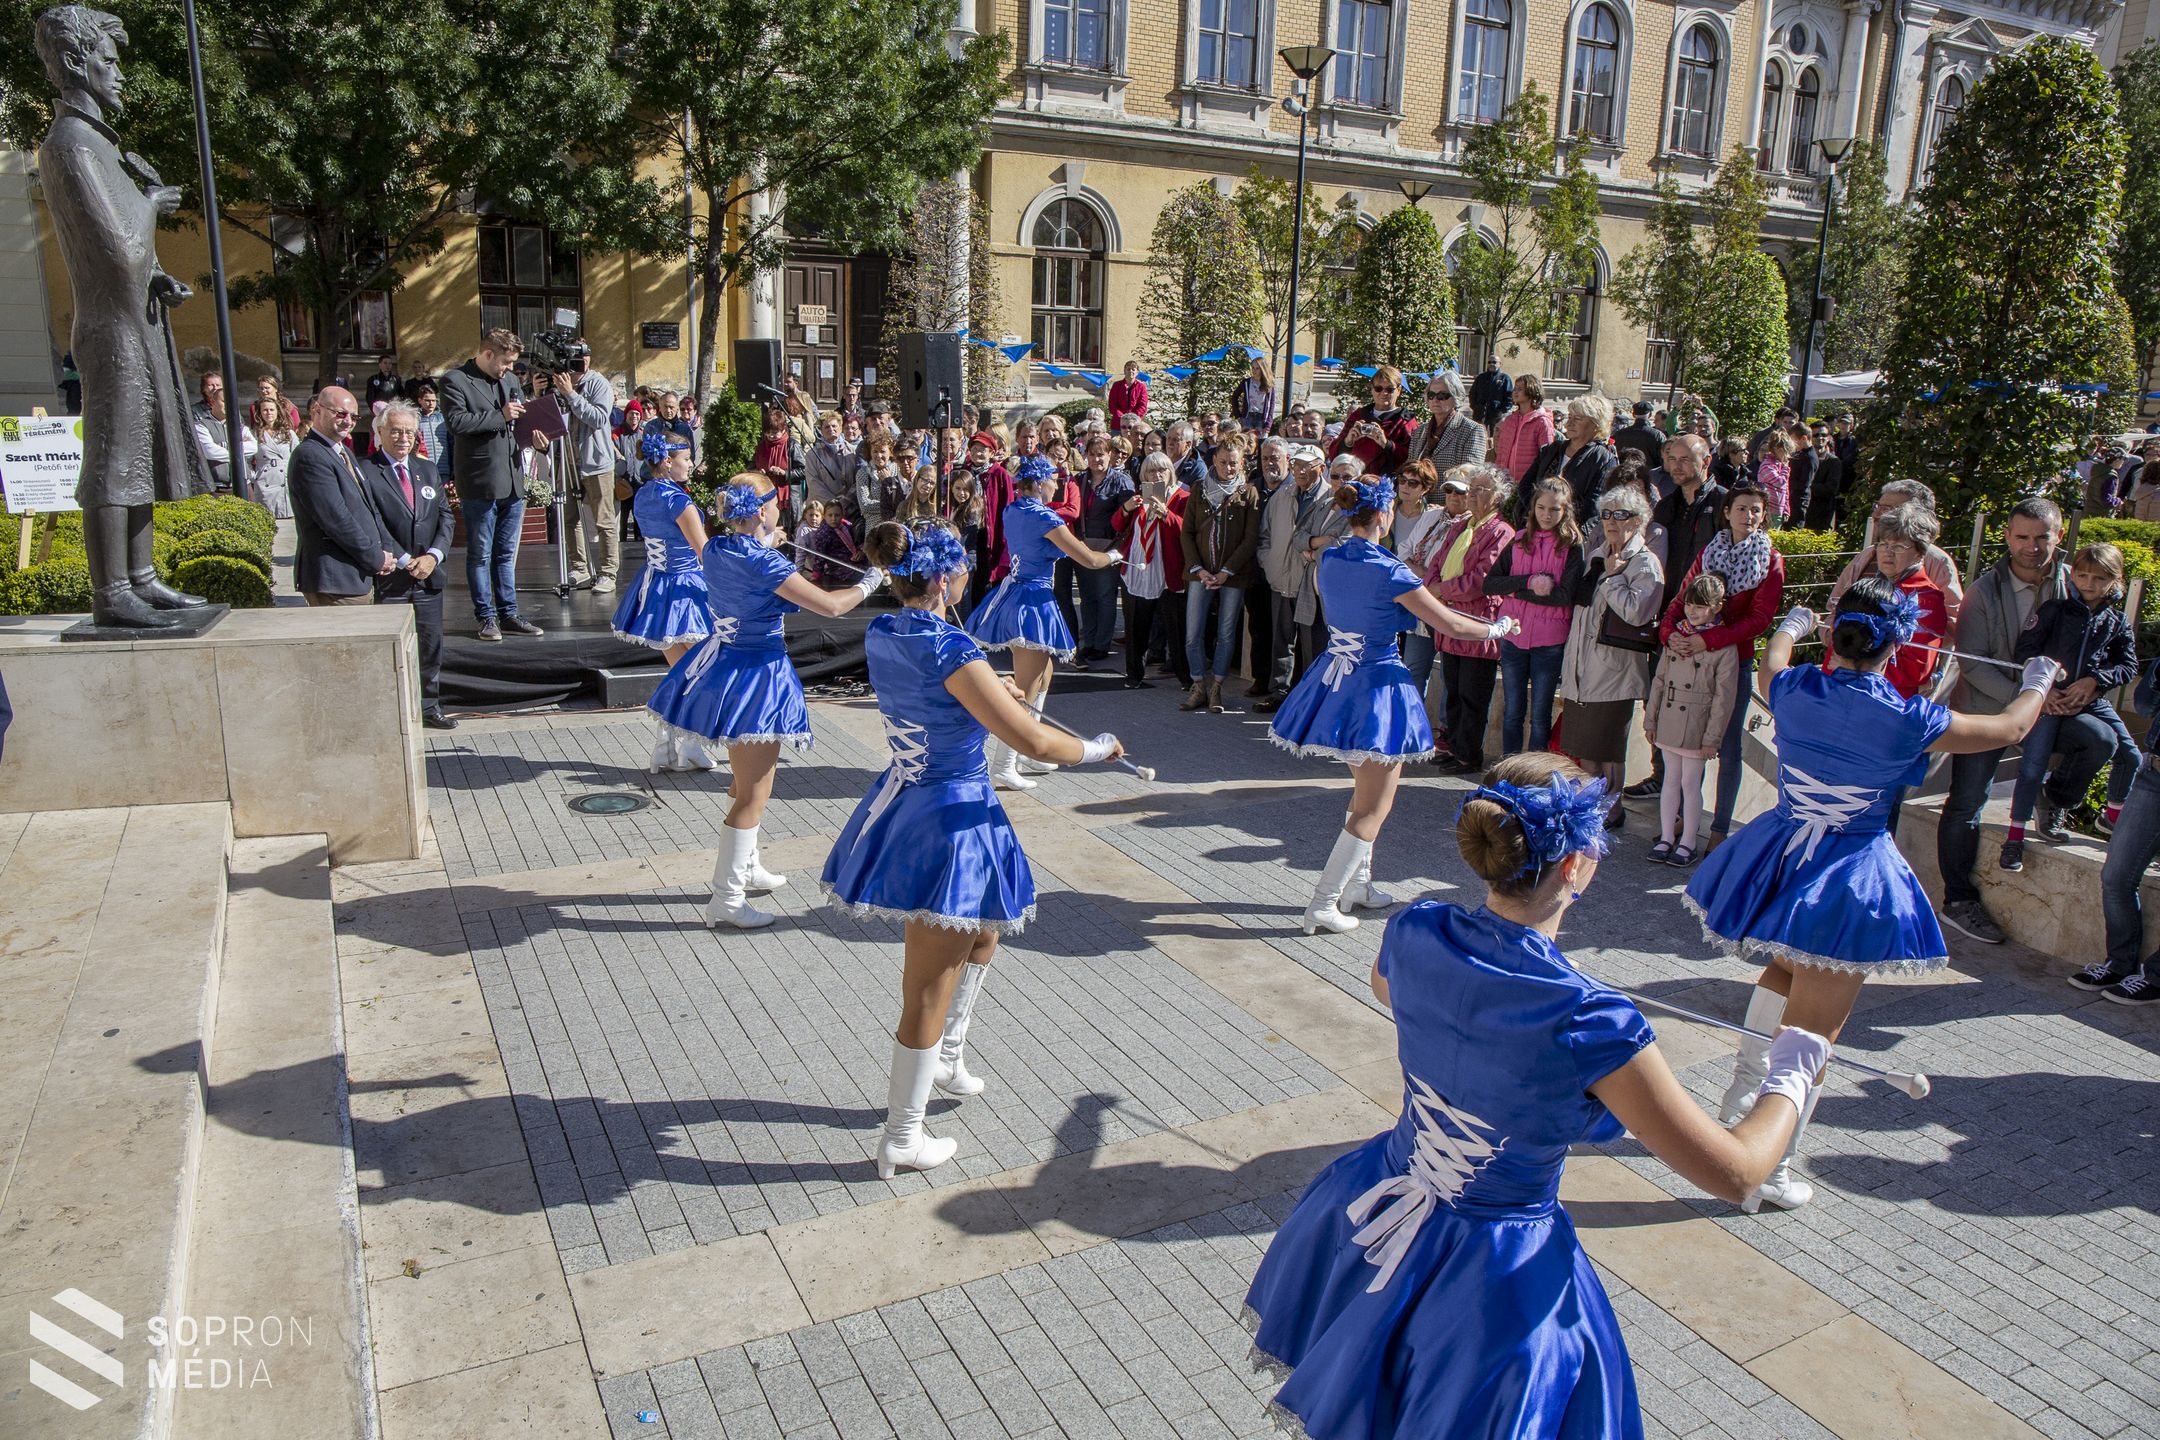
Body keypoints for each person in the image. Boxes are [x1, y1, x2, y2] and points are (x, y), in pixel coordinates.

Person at [1246, 752, 1825, 1440]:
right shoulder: (1592, 1023)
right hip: (1496, 1275)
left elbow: (1389, 992)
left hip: (1377, 1204)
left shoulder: (1417, 929)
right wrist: (1791, 1071)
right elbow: (1736, 1173)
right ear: (1576, 865)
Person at [1687, 581, 2057, 1207]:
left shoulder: (1798, 689)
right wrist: (2040, 679)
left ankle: (1740, 1105)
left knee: (1783, 975)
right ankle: (1767, 1168)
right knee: (1813, 1036)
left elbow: (1771, 659)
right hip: (1847, 874)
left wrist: (1794, 625)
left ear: (1837, 637)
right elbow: (2009, 727)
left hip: (1781, 855)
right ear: (1895, 646)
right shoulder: (1908, 717)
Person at [822, 521, 1124, 1177]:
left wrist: (992, 689)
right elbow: (1037, 744)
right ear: (945, 578)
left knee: (983, 936)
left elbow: (941, 699)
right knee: (927, 985)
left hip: (913, 800)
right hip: (949, 820)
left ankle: (950, 1055)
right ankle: (903, 1134)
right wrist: (1097, 748)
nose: (970, 577)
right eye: (963, 568)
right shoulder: (954, 648)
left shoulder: (885, 631)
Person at [1268, 478, 1517, 933]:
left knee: (1363, 796)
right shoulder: (1390, 570)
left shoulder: (1332, 557)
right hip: (1377, 686)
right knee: (1373, 807)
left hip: (1337, 678)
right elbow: (1451, 626)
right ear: (1383, 515)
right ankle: (1322, 905)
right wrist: (1497, 629)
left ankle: (1357, 885)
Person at [646, 476, 886, 927]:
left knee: (742, 784)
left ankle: (748, 865)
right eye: (775, 505)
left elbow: (747, 567)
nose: (781, 511)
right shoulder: (765, 564)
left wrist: (763, 543)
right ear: (760, 511)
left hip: (724, 665)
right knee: (754, 795)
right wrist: (871, 581)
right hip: (757, 677)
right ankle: (727, 899)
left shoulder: (717, 548)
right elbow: (831, 607)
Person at [1934, 499, 2085, 944]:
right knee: (1966, 801)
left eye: (2042, 537)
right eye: (2023, 537)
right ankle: (1958, 900)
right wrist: (2030, 701)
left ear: (2058, 535)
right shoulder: (1984, 590)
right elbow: (1974, 664)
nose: (2032, 547)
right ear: (2007, 537)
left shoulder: (2075, 583)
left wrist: (2083, 686)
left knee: (2101, 742)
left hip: (2051, 704)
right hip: (1989, 706)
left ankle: (2054, 800)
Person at [967, 455, 1122, 788]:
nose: (1060, 484)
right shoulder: (1046, 517)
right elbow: (1089, 559)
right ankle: (1004, 763)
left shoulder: (1013, 509)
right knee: (1026, 686)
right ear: (1038, 483)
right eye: (1055, 479)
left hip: (1017, 593)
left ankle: (1027, 751)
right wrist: (1115, 555)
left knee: (1045, 675)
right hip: (1031, 600)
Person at [2001, 542, 2140, 872]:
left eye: (2099, 578)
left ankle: (2112, 818)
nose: (2088, 584)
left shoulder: (2116, 621)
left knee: (2130, 754)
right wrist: (2043, 690)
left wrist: (2095, 681)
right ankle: (2015, 838)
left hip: (2088, 700)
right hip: (2049, 702)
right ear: (2072, 574)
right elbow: (2025, 652)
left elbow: (2128, 664)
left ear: (2115, 580)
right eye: (2082, 575)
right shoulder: (2055, 610)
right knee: (2032, 767)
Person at [1658, 482, 1783, 843]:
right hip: (1688, 662)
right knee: (1681, 744)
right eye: (1741, 508)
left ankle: (1718, 829)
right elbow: (1681, 599)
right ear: (1727, 512)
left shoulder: (1770, 560)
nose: (1748, 516)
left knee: (1728, 748)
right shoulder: (1709, 554)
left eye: (1756, 510)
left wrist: (1707, 639)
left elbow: (1759, 619)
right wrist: (1670, 634)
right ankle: (1679, 823)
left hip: (1732, 662)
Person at [1558, 484, 1663, 826]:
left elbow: (1638, 613)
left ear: (1639, 520)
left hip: (1614, 672)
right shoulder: (1597, 554)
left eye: (1622, 515)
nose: (1612, 522)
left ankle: (1611, 809)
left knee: (1606, 749)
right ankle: (1591, 806)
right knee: (1584, 748)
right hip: (1581, 667)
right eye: (1606, 514)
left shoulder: (1645, 562)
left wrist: (1615, 578)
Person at [612, 433, 717, 769]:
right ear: (668, 461)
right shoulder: (679, 501)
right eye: (686, 458)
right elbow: (704, 553)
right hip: (686, 590)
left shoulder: (643, 495)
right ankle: (681, 741)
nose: (691, 464)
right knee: (702, 671)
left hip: (656, 586)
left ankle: (673, 742)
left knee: (683, 672)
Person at [439, 328, 543, 641]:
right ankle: (486, 617)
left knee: (505, 554)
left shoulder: (511, 382)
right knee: (481, 554)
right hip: (480, 482)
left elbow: (519, 423)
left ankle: (509, 613)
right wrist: (500, 415)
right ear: (487, 354)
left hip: (512, 480)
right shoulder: (454, 380)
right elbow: (457, 423)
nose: (510, 369)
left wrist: (537, 438)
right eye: (506, 362)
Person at [358, 402, 455, 730]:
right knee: (391, 648)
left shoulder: (426, 469)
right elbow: (372, 522)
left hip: (429, 575)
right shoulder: (366, 471)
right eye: (396, 431)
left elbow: (445, 516)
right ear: (380, 431)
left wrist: (433, 556)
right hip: (391, 576)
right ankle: (393, 709)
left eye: (409, 432)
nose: (403, 438)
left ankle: (429, 706)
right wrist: (404, 559)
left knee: (430, 645)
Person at [1486, 476, 1585, 754]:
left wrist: (1516, 592)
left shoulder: (1573, 546)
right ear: (1533, 507)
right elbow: (1491, 583)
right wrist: (1528, 583)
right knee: (1512, 711)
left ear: (1565, 511)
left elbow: (1565, 595)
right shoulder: (1518, 540)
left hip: (1549, 641)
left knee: (1540, 716)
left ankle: (1534, 775)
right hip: (1514, 636)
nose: (1546, 515)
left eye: (1554, 509)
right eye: (1541, 508)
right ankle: (1508, 767)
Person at [1647, 573, 1739, 865]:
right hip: (1670, 719)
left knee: (1690, 783)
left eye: (1700, 607)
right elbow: (1659, 681)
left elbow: (1723, 699)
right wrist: (1651, 720)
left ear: (1716, 607)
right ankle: (1665, 837)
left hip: (1698, 724)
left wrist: (1713, 738)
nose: (1693, 611)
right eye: (1689, 605)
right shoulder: (1676, 638)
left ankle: (1688, 841)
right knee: (1670, 780)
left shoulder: (1723, 648)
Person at [1431, 465, 1517, 774]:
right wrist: (1432, 589)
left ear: (1498, 497)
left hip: (1477, 622)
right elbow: (1438, 560)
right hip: (1449, 618)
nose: (1472, 494)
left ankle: (1469, 754)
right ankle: (1454, 745)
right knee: (1452, 688)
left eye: (1481, 489)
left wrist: (1443, 590)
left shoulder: (1501, 532)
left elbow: (1482, 578)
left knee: (1472, 693)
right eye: (1473, 488)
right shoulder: (1461, 526)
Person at [289, 386, 396, 607]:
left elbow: (369, 506)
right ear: (317, 410)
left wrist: (386, 548)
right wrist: (375, 558)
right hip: (334, 579)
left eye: (354, 416)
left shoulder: (342, 451)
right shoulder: (310, 455)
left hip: (356, 573)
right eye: (340, 413)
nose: (348, 421)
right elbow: (336, 519)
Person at [1180, 434, 1262, 714]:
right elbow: (1187, 533)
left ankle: (1216, 687)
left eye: (1234, 463)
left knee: (1226, 633)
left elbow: (1250, 538)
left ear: (1242, 463)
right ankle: (1198, 684)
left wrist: (1228, 570)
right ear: (1214, 460)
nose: (1228, 467)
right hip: (1199, 573)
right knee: (1193, 633)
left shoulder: (1248, 493)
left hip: (1233, 575)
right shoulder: (1199, 488)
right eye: (1224, 462)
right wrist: (1198, 568)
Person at [1254, 444, 1337, 712]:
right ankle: (1279, 693)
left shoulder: (1330, 498)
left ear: (1321, 468)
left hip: (1310, 584)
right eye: (1296, 465)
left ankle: (1308, 699)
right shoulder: (1283, 494)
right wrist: (1269, 565)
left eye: (1306, 466)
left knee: (1311, 644)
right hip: (1281, 577)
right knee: (1281, 640)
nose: (1299, 471)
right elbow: (1264, 535)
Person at [1826, 480, 1965, 636]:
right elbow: (1834, 607)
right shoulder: (1867, 554)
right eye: (1878, 506)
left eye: (1888, 509)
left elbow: (1952, 626)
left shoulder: (1936, 561)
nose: (1876, 514)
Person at [1113, 451, 1187, 691]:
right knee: (1136, 625)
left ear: (1170, 473)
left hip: (1167, 571)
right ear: (1144, 475)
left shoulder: (1182, 497)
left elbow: (1188, 531)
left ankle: (1186, 678)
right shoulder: (1138, 498)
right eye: (1151, 471)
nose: (1157, 475)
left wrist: (1166, 513)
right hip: (1137, 569)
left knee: (1176, 628)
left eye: (1162, 470)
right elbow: (1116, 525)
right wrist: (1126, 508)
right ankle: (1133, 674)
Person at [554, 343, 620, 594]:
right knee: (570, 519)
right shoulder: (559, 381)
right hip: (568, 460)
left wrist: (571, 394)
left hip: (596, 463)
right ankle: (579, 568)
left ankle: (608, 572)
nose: (575, 364)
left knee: (603, 520)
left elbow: (599, 418)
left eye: (580, 359)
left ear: (588, 360)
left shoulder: (598, 384)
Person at [1071, 432, 1133, 667]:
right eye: (1093, 454)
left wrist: (1117, 546)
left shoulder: (1121, 481)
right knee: (1087, 597)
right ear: (1086, 456)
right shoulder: (1080, 480)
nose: (1097, 459)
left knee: (1105, 596)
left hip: (1109, 547)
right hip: (1083, 546)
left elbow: (1126, 517)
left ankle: (1101, 644)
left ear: (1110, 455)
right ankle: (1090, 639)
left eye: (1102, 454)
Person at [1521, 393, 1618, 527]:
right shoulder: (1552, 450)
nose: (1569, 423)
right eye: (1570, 417)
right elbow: (1525, 485)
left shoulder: (1603, 459)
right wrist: (1537, 514)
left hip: (1570, 531)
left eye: (1577, 418)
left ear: (1596, 425)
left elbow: (1593, 506)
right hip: (1535, 526)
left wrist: (1560, 524)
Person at [1327, 366, 1414, 477]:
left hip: (1388, 483)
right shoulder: (1358, 416)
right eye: (1378, 388)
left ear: (1399, 390)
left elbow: (1412, 458)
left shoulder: (1405, 421)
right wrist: (1348, 442)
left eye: (1389, 389)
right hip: (1355, 479)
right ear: (1372, 389)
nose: (1383, 393)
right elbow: (1334, 453)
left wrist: (1386, 444)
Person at [1406, 369, 1488, 472]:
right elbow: (1409, 470)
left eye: (1442, 395)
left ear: (1455, 397)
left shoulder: (1472, 430)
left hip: (1448, 488)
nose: (1435, 400)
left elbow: (1470, 476)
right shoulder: (1419, 432)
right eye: (1431, 395)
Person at [190, 377, 252, 493]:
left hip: (242, 481)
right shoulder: (197, 414)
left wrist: (222, 445)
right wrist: (238, 449)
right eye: (211, 385)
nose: (215, 388)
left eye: (218, 385)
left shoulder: (235, 415)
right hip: (217, 482)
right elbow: (210, 451)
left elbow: (253, 447)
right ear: (204, 388)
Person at [1493, 374, 1554, 483]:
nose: (1515, 392)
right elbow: (1501, 452)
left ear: (1532, 391)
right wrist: (1498, 476)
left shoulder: (1542, 422)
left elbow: (1547, 457)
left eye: (1520, 389)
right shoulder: (1509, 420)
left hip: (1528, 483)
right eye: (1515, 389)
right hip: (1505, 482)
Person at [243, 396, 294, 518]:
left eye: (272, 409)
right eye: (265, 410)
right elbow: (248, 459)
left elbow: (297, 456)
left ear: (277, 411)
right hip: (264, 480)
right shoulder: (254, 433)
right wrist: (254, 475)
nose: (268, 413)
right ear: (260, 413)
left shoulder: (288, 433)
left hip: (285, 480)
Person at [1797, 420, 1847, 531]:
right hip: (1800, 512)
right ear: (1809, 437)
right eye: (1816, 435)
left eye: (1824, 435)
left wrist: (1805, 486)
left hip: (1821, 516)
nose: (1820, 438)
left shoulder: (1834, 462)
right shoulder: (1800, 458)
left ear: (1828, 437)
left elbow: (1831, 488)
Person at [1612, 400, 1665, 469]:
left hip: (1625, 474)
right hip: (1649, 476)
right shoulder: (1657, 435)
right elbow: (1662, 458)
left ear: (1633, 414)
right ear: (1650, 414)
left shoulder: (1620, 433)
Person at [1754, 430, 1792, 527]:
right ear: (1779, 450)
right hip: (1768, 510)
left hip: (1778, 511)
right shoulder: (1767, 465)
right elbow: (1779, 482)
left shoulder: (1780, 466)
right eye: (1786, 453)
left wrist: (1786, 509)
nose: (1787, 456)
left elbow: (1785, 489)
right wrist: (1786, 469)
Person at [1231, 356, 1277, 435]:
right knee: (1246, 441)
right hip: (1247, 417)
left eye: (1257, 368)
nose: (1254, 371)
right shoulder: (1246, 383)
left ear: (1263, 369)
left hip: (1262, 418)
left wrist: (1269, 423)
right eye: (1253, 368)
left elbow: (1272, 404)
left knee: (1260, 442)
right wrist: (1237, 415)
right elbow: (1234, 397)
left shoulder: (1269, 384)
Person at [1468, 356, 1513, 428]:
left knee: (1494, 437)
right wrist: (1475, 407)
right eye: (1489, 362)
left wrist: (1502, 411)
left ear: (1500, 364)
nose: (1491, 364)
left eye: (1494, 362)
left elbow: (1510, 396)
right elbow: (1472, 394)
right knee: (1478, 436)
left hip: (1496, 416)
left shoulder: (1504, 378)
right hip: (1479, 415)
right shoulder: (1481, 378)